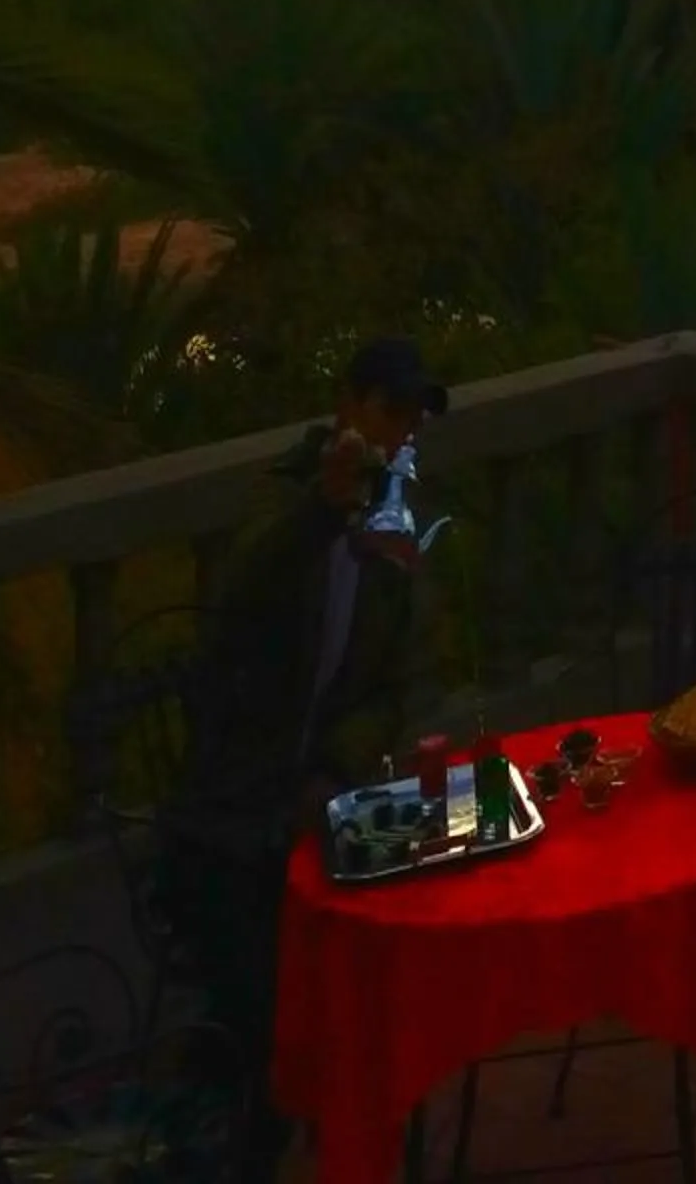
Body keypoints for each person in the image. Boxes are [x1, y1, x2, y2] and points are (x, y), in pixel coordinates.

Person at [161, 335, 446, 1179]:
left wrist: (338, 769)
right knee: (263, 1011)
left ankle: (356, 1127)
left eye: (412, 422)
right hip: (228, 815)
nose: (399, 437)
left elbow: (395, 681)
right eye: (390, 412)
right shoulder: (284, 496)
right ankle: (247, 1123)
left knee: (428, 890)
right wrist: (325, 505)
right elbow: (243, 593)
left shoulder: (394, 524)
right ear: (347, 404)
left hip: (323, 797)